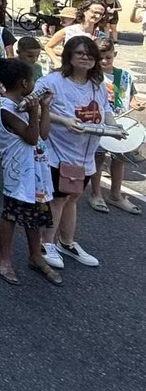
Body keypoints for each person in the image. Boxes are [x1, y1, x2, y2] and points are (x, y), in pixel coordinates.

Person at [35, 36, 120, 270]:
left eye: (90, 54)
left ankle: (67, 242)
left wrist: (116, 129)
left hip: (85, 155)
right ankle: (46, 244)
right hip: (58, 153)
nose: (85, 57)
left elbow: (105, 110)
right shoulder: (52, 81)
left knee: (73, 198)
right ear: (69, 55)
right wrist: (63, 119)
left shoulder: (97, 83)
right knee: (58, 199)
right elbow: (29, 106)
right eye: (80, 53)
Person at [0, 58, 60, 286]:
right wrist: (33, 112)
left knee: (35, 217)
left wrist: (45, 107)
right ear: (24, 83)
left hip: (38, 172)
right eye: (32, 80)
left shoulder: (25, 103)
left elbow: (43, 135)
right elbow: (31, 138)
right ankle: (4, 260)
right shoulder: (6, 108)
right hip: (19, 173)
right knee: (11, 215)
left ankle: (36, 256)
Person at [87, 38, 145, 215]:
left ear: (115, 55)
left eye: (108, 57)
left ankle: (115, 194)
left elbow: (132, 96)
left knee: (119, 159)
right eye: (100, 58)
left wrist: (137, 103)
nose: (104, 61)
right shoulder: (91, 77)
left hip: (120, 122)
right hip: (98, 122)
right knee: (98, 157)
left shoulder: (124, 76)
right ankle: (96, 194)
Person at [45, 0, 106, 66]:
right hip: (69, 69)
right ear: (84, 11)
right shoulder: (68, 30)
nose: (98, 16)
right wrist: (56, 61)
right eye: (95, 12)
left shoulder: (101, 35)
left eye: (101, 14)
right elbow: (48, 47)